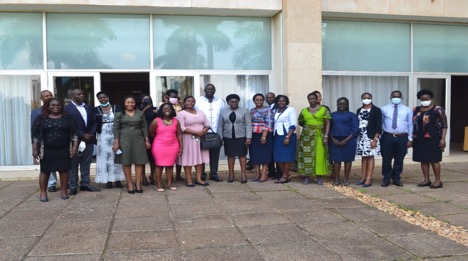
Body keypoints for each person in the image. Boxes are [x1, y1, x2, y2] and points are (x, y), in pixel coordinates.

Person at [32, 98, 78, 202]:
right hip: (47, 150)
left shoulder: (68, 118)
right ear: (48, 106)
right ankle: (43, 192)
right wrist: (34, 149)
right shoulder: (41, 118)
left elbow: (75, 133)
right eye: (52, 105)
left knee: (64, 170)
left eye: (58, 105)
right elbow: (34, 134)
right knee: (45, 171)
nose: (55, 107)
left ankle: (64, 191)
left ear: (62, 106)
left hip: (64, 149)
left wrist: (75, 146)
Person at [64, 89, 100, 195]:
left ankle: (85, 183)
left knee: (86, 163)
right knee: (73, 164)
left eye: (83, 94)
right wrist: (82, 134)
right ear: (72, 95)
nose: (81, 95)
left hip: (88, 140)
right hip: (74, 141)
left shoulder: (88, 107)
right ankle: (73, 185)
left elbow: (95, 122)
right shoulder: (67, 109)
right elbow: (69, 124)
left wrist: (91, 134)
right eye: (78, 94)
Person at [113, 96, 151, 194]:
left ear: (135, 103)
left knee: (139, 161)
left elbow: (144, 126)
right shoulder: (119, 114)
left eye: (132, 102)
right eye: (128, 102)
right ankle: (129, 183)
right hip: (124, 139)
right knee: (126, 162)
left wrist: (146, 140)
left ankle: (138, 183)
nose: (130, 104)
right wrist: (116, 143)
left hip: (139, 139)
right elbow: (116, 128)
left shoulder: (140, 113)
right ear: (124, 103)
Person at [412, 89, 448, 189]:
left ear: (431, 98)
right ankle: (426, 180)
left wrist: (443, 139)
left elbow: (444, 125)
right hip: (419, 139)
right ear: (419, 99)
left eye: (427, 98)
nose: (425, 100)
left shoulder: (438, 109)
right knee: (423, 160)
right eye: (423, 99)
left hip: (434, 138)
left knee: (434, 160)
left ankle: (437, 181)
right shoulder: (415, 110)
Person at [380, 90, 413, 187]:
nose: (396, 98)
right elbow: (381, 123)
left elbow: (410, 125)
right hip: (387, 137)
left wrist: (410, 139)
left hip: (402, 137)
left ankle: (396, 178)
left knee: (399, 159)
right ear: (390, 98)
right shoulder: (384, 109)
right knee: (386, 159)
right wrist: (380, 138)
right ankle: (386, 178)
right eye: (394, 97)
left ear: (401, 98)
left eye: (398, 97)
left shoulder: (407, 110)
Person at [297, 92, 332, 185]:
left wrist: (326, 136)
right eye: (310, 99)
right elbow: (300, 121)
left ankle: (319, 176)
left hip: (319, 135)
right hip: (306, 136)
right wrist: (308, 128)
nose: (312, 100)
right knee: (306, 156)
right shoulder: (304, 110)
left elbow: (328, 123)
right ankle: (307, 176)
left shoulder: (324, 109)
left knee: (319, 155)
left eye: (313, 98)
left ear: (317, 99)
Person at [93, 91, 125, 189]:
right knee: (105, 158)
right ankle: (107, 180)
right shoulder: (95, 110)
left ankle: (118, 179)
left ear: (108, 97)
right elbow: (93, 123)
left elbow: (122, 120)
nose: (103, 99)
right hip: (102, 137)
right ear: (98, 99)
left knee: (116, 156)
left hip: (115, 135)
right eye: (100, 98)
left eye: (104, 97)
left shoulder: (116, 108)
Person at [176, 96, 210, 187]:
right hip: (188, 139)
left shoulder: (200, 113)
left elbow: (207, 124)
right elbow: (182, 128)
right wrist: (196, 132)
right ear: (184, 103)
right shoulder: (181, 114)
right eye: (188, 101)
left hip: (200, 139)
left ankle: (199, 179)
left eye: (192, 101)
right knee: (188, 159)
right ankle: (189, 179)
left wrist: (203, 132)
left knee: (200, 159)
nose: (190, 102)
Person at [218, 94, 252, 183]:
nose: (234, 103)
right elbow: (220, 125)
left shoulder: (244, 110)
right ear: (228, 103)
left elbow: (248, 124)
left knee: (242, 155)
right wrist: (220, 137)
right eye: (232, 102)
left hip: (241, 136)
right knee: (230, 155)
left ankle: (243, 174)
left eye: (236, 101)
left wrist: (248, 137)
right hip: (228, 136)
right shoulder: (223, 111)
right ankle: (231, 174)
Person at [195, 83, 226, 182]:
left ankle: (214, 173)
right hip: (202, 131)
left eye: (212, 89)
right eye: (208, 89)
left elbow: (222, 117)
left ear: (215, 90)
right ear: (204, 90)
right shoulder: (198, 101)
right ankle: (202, 173)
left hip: (216, 132)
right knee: (202, 154)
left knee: (215, 154)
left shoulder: (220, 102)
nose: (210, 90)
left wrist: (221, 134)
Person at [149, 103, 183, 191]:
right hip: (159, 146)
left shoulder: (176, 121)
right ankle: (158, 185)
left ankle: (169, 184)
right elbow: (151, 133)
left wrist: (181, 147)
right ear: (161, 110)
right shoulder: (156, 120)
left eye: (169, 108)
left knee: (170, 165)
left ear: (172, 110)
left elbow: (179, 134)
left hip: (173, 146)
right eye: (164, 109)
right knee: (159, 165)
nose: (167, 110)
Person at [30, 90, 58, 193]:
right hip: (44, 143)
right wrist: (35, 146)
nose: (49, 97)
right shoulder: (36, 112)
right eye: (46, 96)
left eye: (50, 95)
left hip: (59, 142)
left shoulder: (58, 109)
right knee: (48, 164)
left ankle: (66, 182)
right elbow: (34, 130)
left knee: (62, 163)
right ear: (41, 98)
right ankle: (52, 184)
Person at [329, 97, 359, 186]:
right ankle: (337, 178)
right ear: (337, 104)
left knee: (348, 160)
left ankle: (346, 178)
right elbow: (328, 128)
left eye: (344, 104)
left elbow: (355, 129)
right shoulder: (332, 115)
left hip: (349, 140)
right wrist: (333, 139)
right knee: (336, 160)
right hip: (335, 140)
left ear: (347, 105)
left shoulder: (352, 115)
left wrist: (346, 140)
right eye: (340, 104)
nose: (342, 105)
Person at [356, 92, 382, 187]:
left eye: (368, 97)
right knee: (363, 156)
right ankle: (363, 177)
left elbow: (378, 126)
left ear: (371, 98)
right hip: (361, 136)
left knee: (370, 156)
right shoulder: (359, 110)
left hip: (371, 136)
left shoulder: (376, 110)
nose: (366, 99)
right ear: (361, 99)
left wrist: (375, 139)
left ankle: (369, 178)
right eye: (364, 98)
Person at [160, 89, 184, 182]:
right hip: (167, 133)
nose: (173, 98)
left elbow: (185, 113)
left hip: (179, 131)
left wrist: (181, 104)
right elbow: (160, 113)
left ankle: (178, 175)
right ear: (167, 96)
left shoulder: (179, 105)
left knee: (178, 155)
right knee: (167, 157)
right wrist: (167, 102)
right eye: (171, 96)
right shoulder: (162, 104)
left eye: (175, 96)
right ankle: (168, 177)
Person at [272, 95, 297, 184]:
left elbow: (293, 124)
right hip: (277, 136)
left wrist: (288, 137)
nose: (281, 102)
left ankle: (285, 175)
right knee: (278, 157)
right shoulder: (275, 111)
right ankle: (286, 174)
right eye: (279, 101)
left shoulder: (291, 110)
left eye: (283, 101)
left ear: (286, 102)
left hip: (287, 135)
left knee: (287, 157)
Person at [249, 93, 273, 182]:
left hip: (264, 134)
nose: (259, 101)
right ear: (254, 101)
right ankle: (257, 174)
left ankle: (264, 175)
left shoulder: (268, 110)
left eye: (261, 100)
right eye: (257, 100)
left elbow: (269, 123)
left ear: (263, 101)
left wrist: (264, 136)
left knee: (264, 156)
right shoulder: (252, 110)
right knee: (255, 155)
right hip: (254, 134)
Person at [138, 94, 157, 186]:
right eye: (144, 99)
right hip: (141, 136)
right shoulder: (137, 110)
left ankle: (152, 176)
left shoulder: (154, 109)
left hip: (153, 136)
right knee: (142, 158)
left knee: (153, 158)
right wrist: (145, 109)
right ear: (141, 101)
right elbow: (139, 119)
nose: (146, 100)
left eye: (148, 99)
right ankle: (143, 177)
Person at [265, 92, 280, 178]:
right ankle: (271, 171)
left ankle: (278, 172)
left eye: (270, 98)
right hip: (269, 133)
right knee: (269, 153)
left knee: (277, 153)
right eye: (267, 98)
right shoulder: (266, 108)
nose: (268, 99)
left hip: (277, 133)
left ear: (274, 98)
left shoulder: (278, 108)